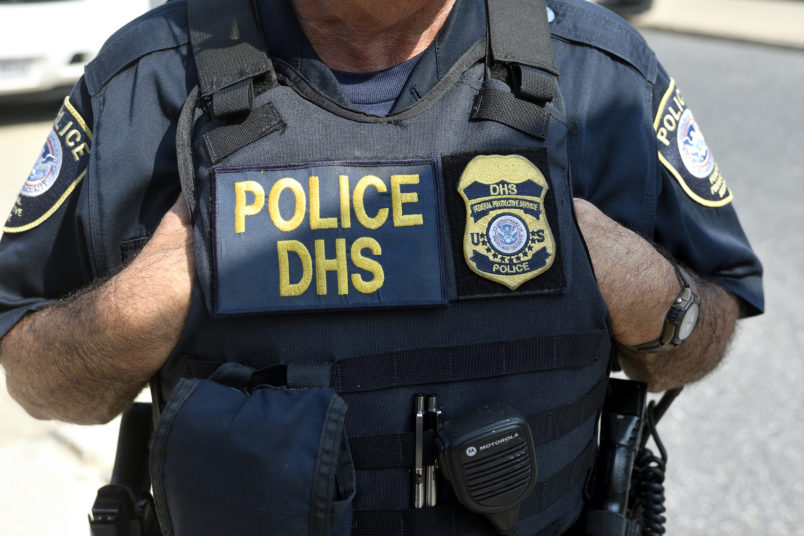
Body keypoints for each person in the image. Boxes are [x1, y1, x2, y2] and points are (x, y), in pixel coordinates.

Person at [0, 0, 763, 534]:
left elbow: (706, 327)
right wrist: (149, 300)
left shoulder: (600, 73)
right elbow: (34, 378)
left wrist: (642, 285)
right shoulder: (149, 80)